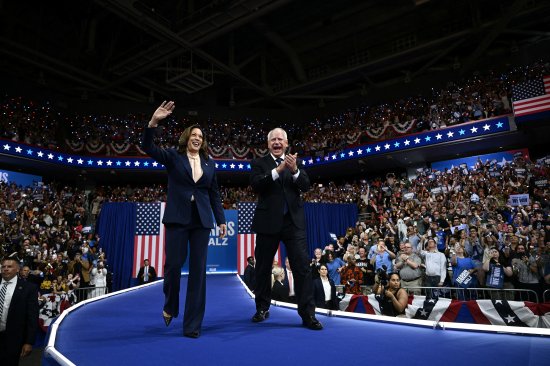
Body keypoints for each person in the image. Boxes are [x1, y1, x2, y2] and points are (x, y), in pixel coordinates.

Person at [142, 101, 227, 338]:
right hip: (178, 218)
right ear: (186, 137)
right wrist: (153, 123)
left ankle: (192, 325)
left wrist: (221, 221)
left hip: (201, 221)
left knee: (199, 273)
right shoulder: (172, 156)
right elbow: (148, 147)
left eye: (201, 135)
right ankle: (170, 305)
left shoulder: (210, 164)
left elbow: (214, 194)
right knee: (173, 266)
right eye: (193, 134)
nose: (197, 138)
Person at [249, 127, 322, 330]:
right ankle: (262, 308)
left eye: (280, 139)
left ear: (287, 143)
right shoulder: (259, 163)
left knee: (302, 269)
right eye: (273, 139)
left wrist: (294, 170)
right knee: (263, 268)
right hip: (267, 223)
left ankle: (308, 315)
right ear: (268, 144)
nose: (277, 142)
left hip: (293, 224)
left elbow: (306, 185)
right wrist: (277, 171)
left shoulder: (294, 163)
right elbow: (255, 185)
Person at [0, 255, 39, 366]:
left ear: (18, 269)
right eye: (3, 266)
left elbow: (32, 316)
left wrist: (29, 342)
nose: (5, 269)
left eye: (9, 266)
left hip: (13, 339)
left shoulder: (29, 288)